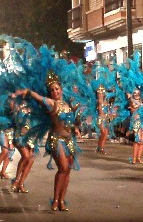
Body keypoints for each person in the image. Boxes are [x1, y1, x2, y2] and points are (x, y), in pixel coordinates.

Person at [14, 71, 80, 211]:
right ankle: (55, 200)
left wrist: (76, 129)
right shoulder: (51, 103)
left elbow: (70, 122)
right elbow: (38, 98)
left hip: (70, 140)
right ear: (50, 93)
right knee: (62, 167)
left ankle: (62, 201)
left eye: (57, 89)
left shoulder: (67, 104)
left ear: (61, 89)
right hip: (57, 140)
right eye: (52, 90)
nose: (55, 91)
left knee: (67, 170)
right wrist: (28, 92)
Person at [11, 100, 36, 193]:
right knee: (26, 156)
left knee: (31, 160)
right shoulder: (18, 105)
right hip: (20, 136)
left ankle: (21, 184)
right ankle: (16, 180)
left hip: (33, 136)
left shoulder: (36, 107)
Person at [127, 88, 143, 164]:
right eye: (134, 93)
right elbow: (133, 107)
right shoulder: (131, 100)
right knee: (137, 139)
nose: (136, 94)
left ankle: (139, 157)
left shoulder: (142, 101)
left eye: (138, 93)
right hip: (136, 121)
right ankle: (134, 158)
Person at [95, 84, 109, 154]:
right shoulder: (97, 102)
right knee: (103, 132)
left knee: (105, 133)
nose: (100, 94)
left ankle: (100, 147)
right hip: (100, 118)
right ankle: (100, 147)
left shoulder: (106, 101)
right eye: (99, 93)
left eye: (102, 93)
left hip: (105, 119)